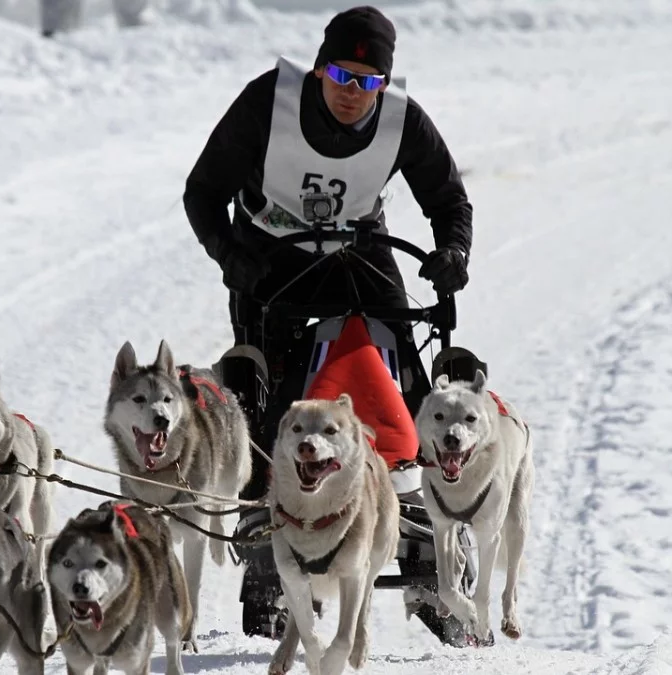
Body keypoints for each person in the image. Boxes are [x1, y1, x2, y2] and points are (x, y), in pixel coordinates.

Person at [181, 5, 483, 644]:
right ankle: (272, 535)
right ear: (320, 70)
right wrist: (228, 254)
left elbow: (450, 200)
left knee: (404, 366)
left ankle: (426, 518)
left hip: (357, 249)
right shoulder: (269, 102)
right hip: (268, 254)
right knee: (274, 397)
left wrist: (453, 254)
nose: (353, 92)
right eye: (342, 75)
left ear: (383, 86)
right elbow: (201, 191)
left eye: (368, 82)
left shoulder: (403, 121)